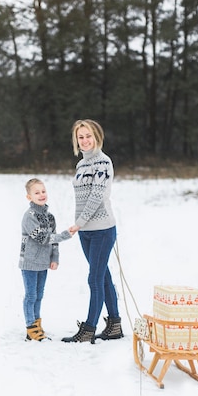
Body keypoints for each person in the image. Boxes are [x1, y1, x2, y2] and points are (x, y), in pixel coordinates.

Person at [62, 119, 123, 344]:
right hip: (85, 230)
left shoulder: (103, 163)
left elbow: (98, 196)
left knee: (94, 279)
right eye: (81, 137)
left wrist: (79, 222)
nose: (85, 140)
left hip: (102, 230)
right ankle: (115, 325)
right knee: (103, 276)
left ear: (97, 137)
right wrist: (80, 224)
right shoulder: (81, 165)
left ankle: (89, 329)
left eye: (89, 136)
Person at [19, 178, 74, 341]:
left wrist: (55, 258)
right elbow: (42, 237)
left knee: (39, 295)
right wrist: (66, 234)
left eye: (43, 191)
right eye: (37, 193)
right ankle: (31, 328)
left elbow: (53, 241)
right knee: (30, 295)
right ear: (29, 197)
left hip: (43, 263)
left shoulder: (50, 217)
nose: (41, 195)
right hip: (29, 262)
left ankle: (37, 324)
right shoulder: (29, 217)